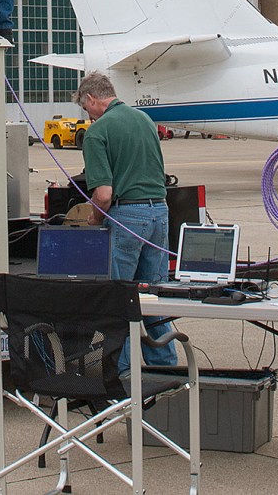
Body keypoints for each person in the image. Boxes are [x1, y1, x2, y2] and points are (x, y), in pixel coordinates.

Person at [74, 71, 178, 372]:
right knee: (155, 296)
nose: (87, 115)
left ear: (92, 99)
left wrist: (94, 216)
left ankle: (123, 375)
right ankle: (166, 370)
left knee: (120, 299)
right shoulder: (145, 120)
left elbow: (104, 194)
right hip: (159, 212)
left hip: (127, 217)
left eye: (85, 108)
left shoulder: (97, 132)